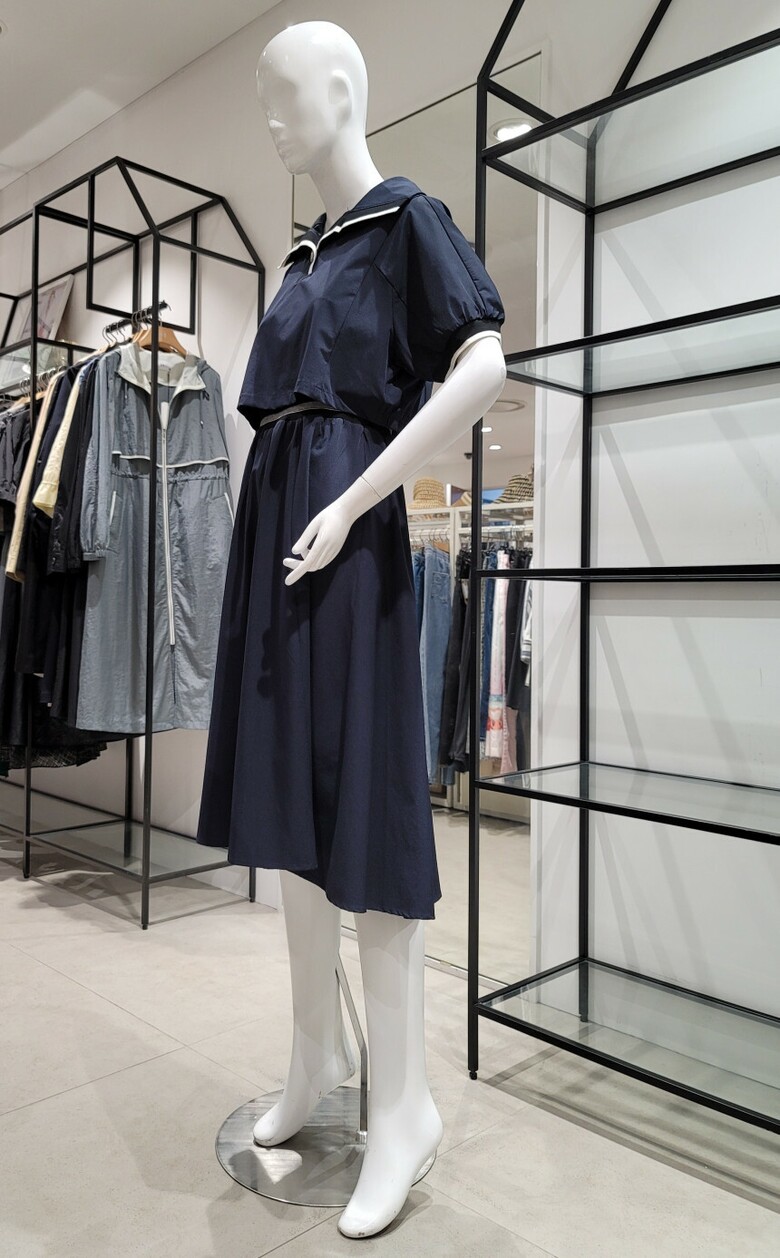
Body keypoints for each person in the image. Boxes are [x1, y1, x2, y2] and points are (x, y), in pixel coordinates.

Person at [197, 19, 506, 1238]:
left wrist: (357, 498)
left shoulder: (406, 222)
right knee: (291, 808)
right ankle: (315, 1054)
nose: (273, 121)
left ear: (341, 91)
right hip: (279, 543)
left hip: (348, 539)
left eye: (286, 96)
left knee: (364, 814)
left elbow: (481, 365)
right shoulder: (304, 253)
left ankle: (404, 1102)